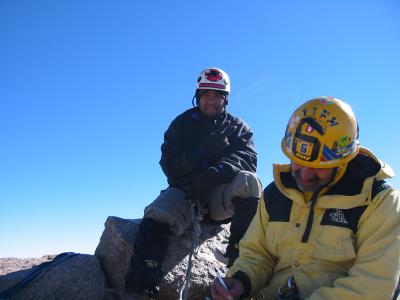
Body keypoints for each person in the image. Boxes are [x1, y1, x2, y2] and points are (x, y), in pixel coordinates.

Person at [210, 96, 400, 300]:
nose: (305, 176)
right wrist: (241, 281)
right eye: (298, 163)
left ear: (343, 160)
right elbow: (257, 254)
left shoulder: (378, 201)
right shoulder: (275, 195)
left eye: (319, 168)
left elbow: (372, 287)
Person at [125, 67, 262, 297]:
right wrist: (199, 155)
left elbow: (248, 160)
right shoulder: (181, 124)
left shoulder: (238, 128)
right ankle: (141, 288)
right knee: (157, 215)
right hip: (186, 193)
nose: (211, 101)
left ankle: (238, 268)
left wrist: (217, 172)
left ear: (225, 99)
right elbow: (169, 165)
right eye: (206, 95)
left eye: (217, 95)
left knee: (249, 183)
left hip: (219, 199)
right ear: (198, 96)